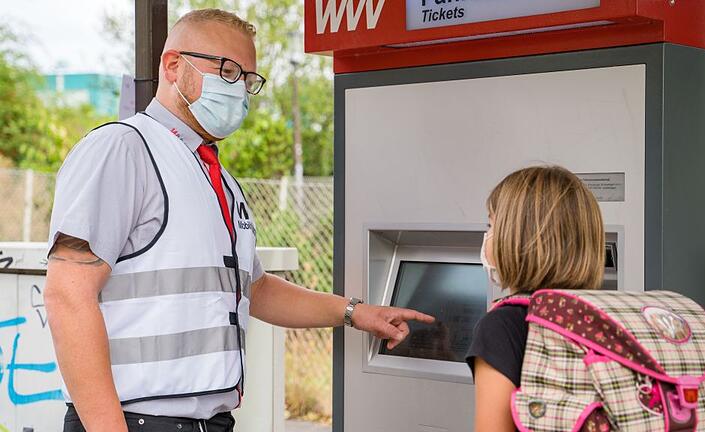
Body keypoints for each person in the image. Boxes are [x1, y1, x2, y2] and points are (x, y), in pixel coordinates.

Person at [44, 9, 434, 432]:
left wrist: (354, 312)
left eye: (249, 80)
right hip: (136, 421)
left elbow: (255, 287)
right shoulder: (123, 149)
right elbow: (68, 296)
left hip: (209, 422)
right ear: (174, 66)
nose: (240, 90)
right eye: (227, 71)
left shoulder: (219, 179)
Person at [465, 166, 605, 432]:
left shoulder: (502, 326)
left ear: (516, 239)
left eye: (491, 225)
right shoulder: (597, 314)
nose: (487, 236)